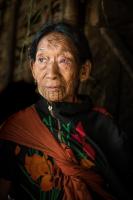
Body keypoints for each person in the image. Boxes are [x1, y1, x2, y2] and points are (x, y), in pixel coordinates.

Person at [0, 21, 132, 200]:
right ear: (33, 69)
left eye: (64, 60)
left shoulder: (103, 124)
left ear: (83, 71)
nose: (51, 72)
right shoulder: (16, 129)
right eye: (42, 60)